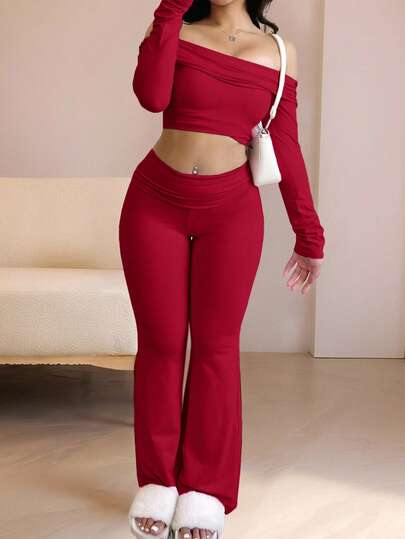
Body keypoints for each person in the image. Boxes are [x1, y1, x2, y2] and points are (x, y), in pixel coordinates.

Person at [118, 1, 325, 538]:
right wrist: (169, 12)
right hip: (154, 205)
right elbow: (151, 97)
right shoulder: (174, 28)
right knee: (161, 345)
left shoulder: (280, 52)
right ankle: (158, 482)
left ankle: (205, 491)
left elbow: (285, 143)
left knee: (216, 349)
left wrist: (309, 232)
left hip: (231, 213)